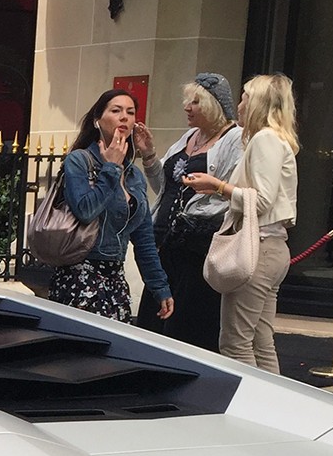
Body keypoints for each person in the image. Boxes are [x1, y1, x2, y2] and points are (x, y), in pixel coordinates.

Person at [184, 73, 300, 372]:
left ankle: (251, 398)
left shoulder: (264, 139)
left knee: (235, 343)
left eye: (245, 97)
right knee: (261, 342)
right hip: (271, 247)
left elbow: (260, 201)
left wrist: (218, 186)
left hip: (257, 247)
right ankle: (272, 399)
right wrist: (219, 188)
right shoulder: (275, 139)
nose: (239, 105)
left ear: (257, 102)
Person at [133, 74, 243, 350]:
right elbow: (164, 186)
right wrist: (149, 156)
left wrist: (216, 186)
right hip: (167, 244)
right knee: (154, 321)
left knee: (187, 325)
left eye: (195, 102)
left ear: (214, 105)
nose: (187, 107)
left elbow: (237, 191)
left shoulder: (235, 139)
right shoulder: (189, 137)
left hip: (198, 247)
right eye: (187, 101)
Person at [48, 89, 173, 323]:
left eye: (130, 112)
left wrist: (160, 287)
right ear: (97, 120)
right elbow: (85, 210)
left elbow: (144, 239)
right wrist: (111, 168)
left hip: (115, 280)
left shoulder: (134, 175)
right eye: (116, 110)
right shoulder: (79, 161)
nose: (124, 117)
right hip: (80, 275)